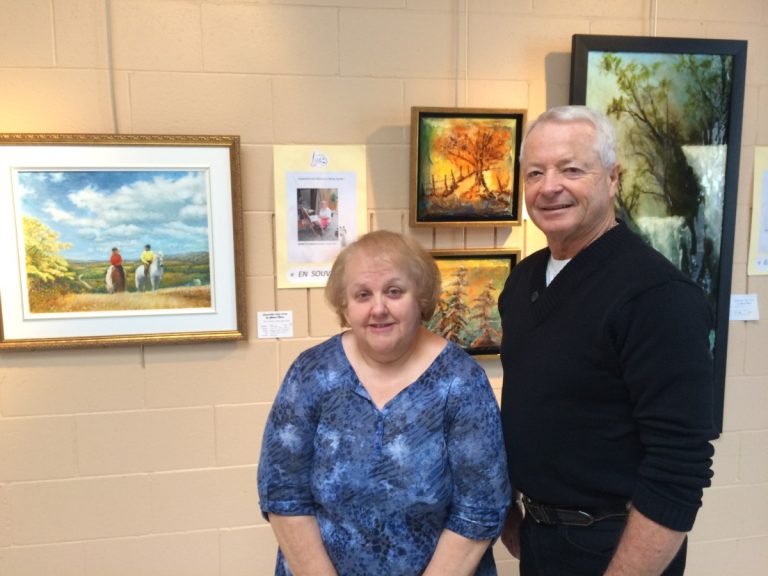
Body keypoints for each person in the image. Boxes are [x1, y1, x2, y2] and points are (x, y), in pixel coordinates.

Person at [497, 105, 715, 576]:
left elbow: (680, 465)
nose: (549, 186)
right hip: (541, 538)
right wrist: (510, 513)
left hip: (616, 546)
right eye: (535, 172)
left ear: (613, 178)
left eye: (571, 169)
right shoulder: (523, 282)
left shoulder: (657, 296)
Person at [258, 230, 511, 576]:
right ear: (345, 306)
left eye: (394, 291)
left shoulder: (461, 382)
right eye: (363, 295)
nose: (379, 308)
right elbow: (284, 494)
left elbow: (480, 510)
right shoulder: (312, 374)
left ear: (420, 298)